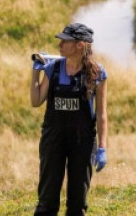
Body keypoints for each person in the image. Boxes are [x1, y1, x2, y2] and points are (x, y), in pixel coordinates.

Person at [30, 22, 108, 216]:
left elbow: (101, 114)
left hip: (82, 142)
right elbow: (36, 100)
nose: (60, 45)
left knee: (77, 204)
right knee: (47, 201)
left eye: (65, 41)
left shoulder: (97, 73)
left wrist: (102, 148)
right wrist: (35, 73)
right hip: (53, 140)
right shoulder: (53, 69)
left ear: (80, 45)